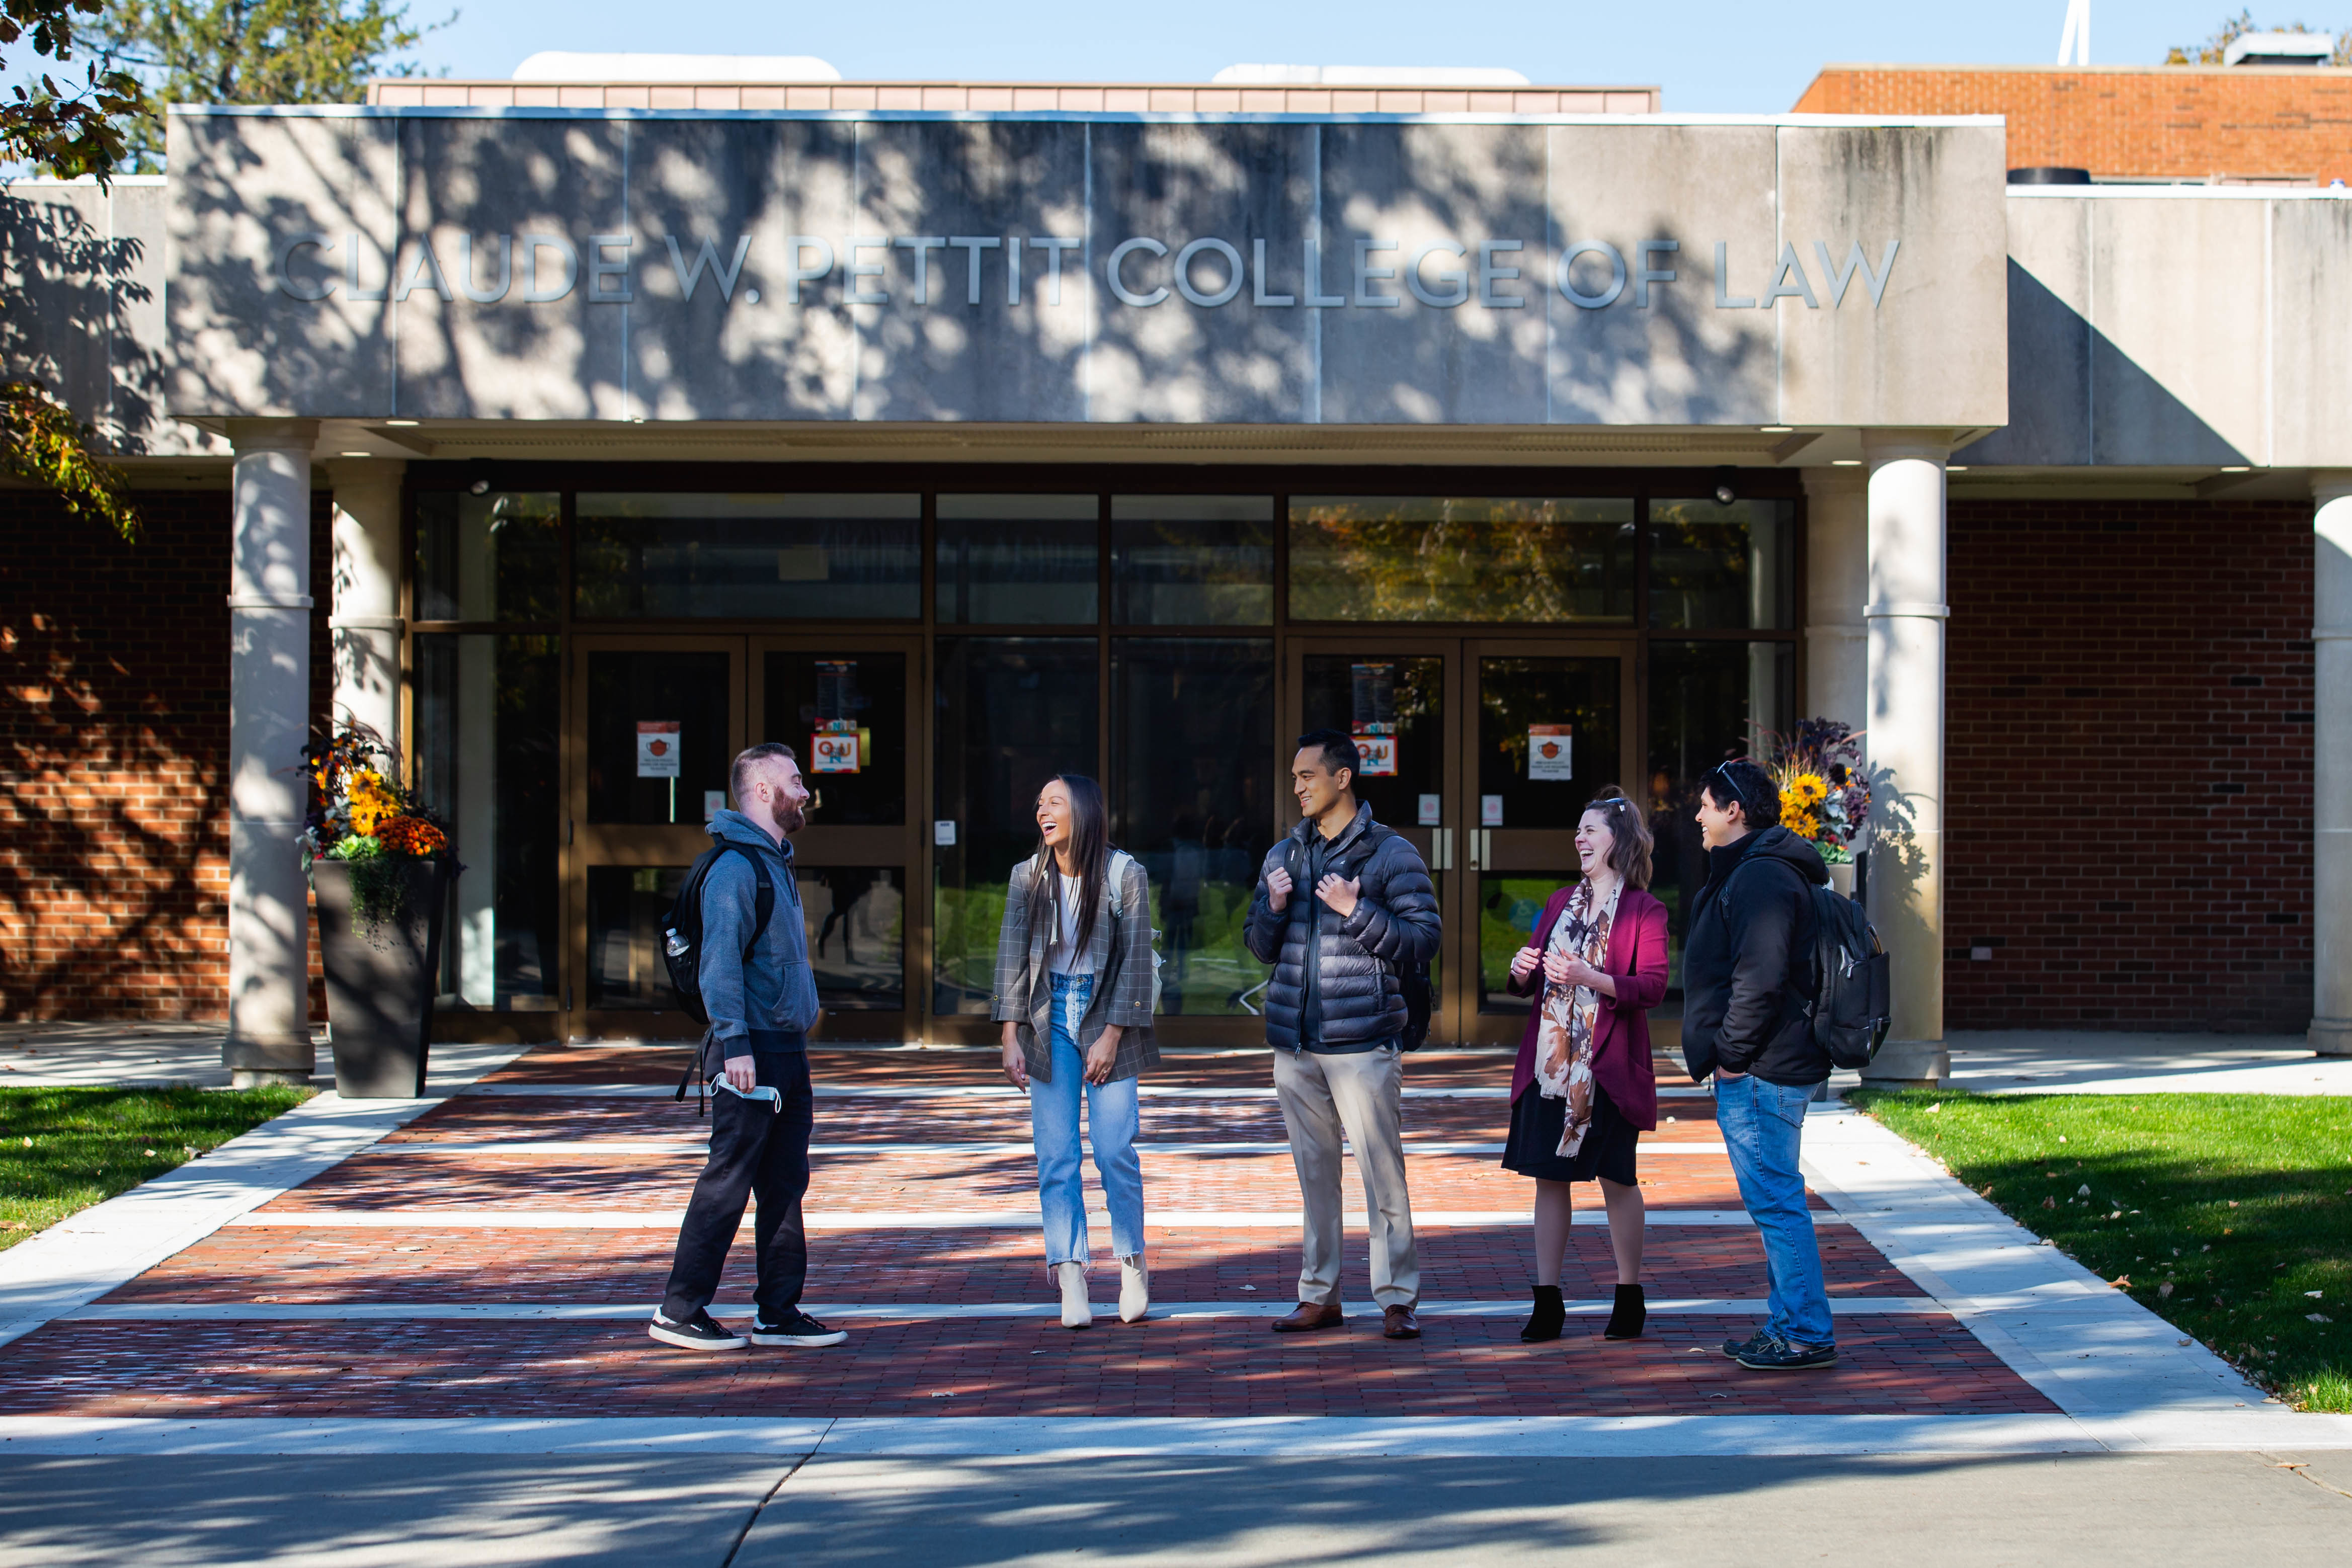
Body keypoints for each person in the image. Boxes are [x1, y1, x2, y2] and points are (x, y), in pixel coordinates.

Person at [1244, 729, 1441, 1340]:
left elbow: (1423, 938)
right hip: (1296, 1045)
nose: (1297, 787)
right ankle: (1319, 1294)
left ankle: (1396, 1299)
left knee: (1382, 1174)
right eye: (1295, 777)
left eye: (1308, 776)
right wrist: (1272, 909)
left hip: (1363, 1042)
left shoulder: (1390, 854)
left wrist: (1355, 911)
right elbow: (1257, 946)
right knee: (1313, 1176)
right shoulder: (1285, 856)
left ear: (1342, 778)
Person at [650, 742, 846, 1352]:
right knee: (729, 1179)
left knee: (784, 1183)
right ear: (763, 791)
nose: (805, 790)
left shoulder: (776, 863)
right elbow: (719, 967)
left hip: (783, 1049)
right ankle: (680, 1310)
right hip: (749, 1051)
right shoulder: (738, 869)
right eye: (794, 780)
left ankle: (778, 1311)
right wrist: (735, 1044)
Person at [1680, 757, 1837, 1372]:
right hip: (1767, 1063)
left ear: (1734, 811)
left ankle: (1804, 1333)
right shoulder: (1755, 871)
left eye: (1706, 804)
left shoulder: (1760, 878)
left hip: (1763, 1068)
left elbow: (1761, 977)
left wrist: (1732, 1059)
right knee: (1775, 1198)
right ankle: (1789, 1325)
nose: (1697, 815)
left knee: (1775, 1200)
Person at [1502, 790, 1670, 1344]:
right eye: (1577, 830)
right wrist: (1521, 967)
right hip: (1550, 1067)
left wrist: (1589, 977)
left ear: (1618, 841)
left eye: (1591, 830)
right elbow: (1534, 972)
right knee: (1548, 1180)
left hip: (1607, 1070)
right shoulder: (1558, 903)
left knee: (1617, 1178)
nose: (1579, 838)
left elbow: (1651, 986)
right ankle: (1547, 1302)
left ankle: (1628, 1296)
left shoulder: (1646, 910)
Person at [994, 774, 1160, 1330]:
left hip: (1110, 1013)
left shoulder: (1122, 874)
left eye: (1055, 802)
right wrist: (1009, 1033)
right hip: (1048, 1018)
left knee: (1114, 1148)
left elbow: (1136, 960)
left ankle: (1131, 1262)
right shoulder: (1028, 876)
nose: (1043, 811)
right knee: (1055, 1155)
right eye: (1039, 803)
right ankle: (1069, 1272)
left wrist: (1112, 1036)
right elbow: (1012, 957)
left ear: (1082, 813)